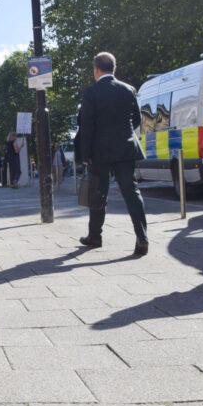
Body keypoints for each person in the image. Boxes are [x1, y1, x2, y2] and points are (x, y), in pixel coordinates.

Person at [77, 52, 148, 256]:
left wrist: (86, 153)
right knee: (131, 192)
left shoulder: (91, 92)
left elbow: (87, 124)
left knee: (98, 193)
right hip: (125, 149)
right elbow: (136, 119)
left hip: (100, 152)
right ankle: (142, 238)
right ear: (114, 69)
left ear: (96, 70)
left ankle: (95, 236)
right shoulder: (128, 90)